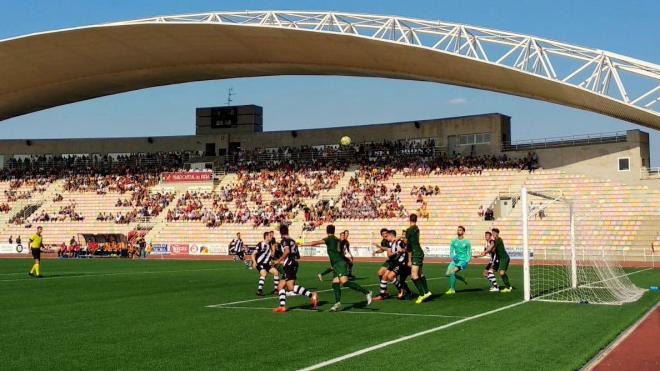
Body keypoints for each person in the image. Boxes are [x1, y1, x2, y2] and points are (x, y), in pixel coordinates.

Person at [308, 224, 372, 312]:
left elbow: (313, 243)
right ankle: (337, 303)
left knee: (344, 282)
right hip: (337, 264)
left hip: (339, 264)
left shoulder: (329, 239)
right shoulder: (336, 239)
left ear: (327, 231)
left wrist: (301, 243)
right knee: (335, 283)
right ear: (334, 231)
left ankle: (367, 292)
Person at [273, 225, 318, 313]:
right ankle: (282, 307)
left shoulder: (284, 240)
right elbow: (297, 255)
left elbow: (287, 251)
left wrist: (279, 260)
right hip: (291, 263)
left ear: (281, 233)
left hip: (289, 264)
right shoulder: (292, 240)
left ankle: (312, 295)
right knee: (280, 286)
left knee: (290, 287)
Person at [405, 214, 431, 304]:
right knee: (420, 273)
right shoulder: (417, 228)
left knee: (414, 275)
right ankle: (427, 291)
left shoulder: (409, 230)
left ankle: (422, 294)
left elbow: (408, 245)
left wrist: (409, 260)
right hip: (419, 251)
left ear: (409, 219)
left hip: (416, 253)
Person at [251, 231, 280, 296]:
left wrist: (273, 250)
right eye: (270, 236)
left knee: (276, 272)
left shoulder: (270, 244)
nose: (271, 237)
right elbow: (253, 254)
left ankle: (276, 290)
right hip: (260, 263)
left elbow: (272, 255)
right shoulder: (261, 244)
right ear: (266, 236)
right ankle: (259, 290)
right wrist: (254, 262)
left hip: (267, 264)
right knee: (264, 274)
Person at [445, 226, 471, 295]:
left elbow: (469, 253)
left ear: (463, 232)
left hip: (462, 261)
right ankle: (461, 278)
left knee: (452, 272)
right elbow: (451, 251)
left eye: (460, 230)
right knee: (447, 274)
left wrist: (467, 261)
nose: (458, 231)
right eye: (458, 230)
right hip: (455, 260)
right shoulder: (454, 241)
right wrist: (453, 256)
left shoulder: (467, 242)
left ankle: (452, 289)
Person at [492, 228, 512, 292]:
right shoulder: (495, 240)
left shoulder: (498, 240)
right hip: (501, 259)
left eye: (494, 233)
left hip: (504, 258)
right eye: (492, 233)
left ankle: (508, 287)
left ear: (497, 233)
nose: (493, 234)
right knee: (501, 273)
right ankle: (508, 286)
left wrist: (485, 252)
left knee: (501, 273)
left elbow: (493, 249)